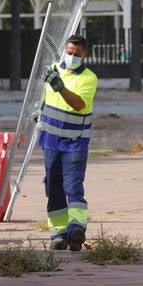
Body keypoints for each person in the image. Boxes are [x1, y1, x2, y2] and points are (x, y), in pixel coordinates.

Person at [39, 34, 98, 252]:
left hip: (75, 142)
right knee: (52, 187)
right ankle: (58, 235)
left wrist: (59, 86)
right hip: (51, 141)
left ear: (85, 55)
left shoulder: (89, 78)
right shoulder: (53, 69)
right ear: (64, 50)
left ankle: (76, 228)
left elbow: (77, 103)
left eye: (77, 54)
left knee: (72, 186)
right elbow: (45, 95)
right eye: (69, 52)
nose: (72, 56)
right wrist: (39, 108)